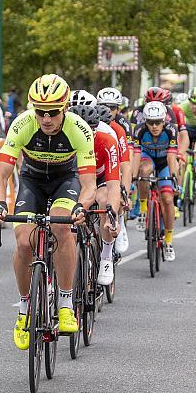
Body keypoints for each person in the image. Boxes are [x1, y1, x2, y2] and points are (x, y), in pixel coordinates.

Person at [0, 74, 96, 350]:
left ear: (65, 109)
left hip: (66, 181)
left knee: (62, 228)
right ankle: (24, 310)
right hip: (31, 181)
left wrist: (80, 208)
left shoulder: (79, 129)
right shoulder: (23, 124)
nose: (46, 119)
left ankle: (64, 303)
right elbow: (0, 175)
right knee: (24, 241)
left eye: (52, 113)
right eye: (40, 112)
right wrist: (0, 204)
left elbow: (88, 185)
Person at [69, 104, 121, 285]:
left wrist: (111, 216)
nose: (85, 134)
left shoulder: (107, 140)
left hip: (101, 179)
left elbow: (115, 185)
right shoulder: (66, 141)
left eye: (90, 130)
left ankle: (106, 256)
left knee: (103, 199)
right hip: (77, 179)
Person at [133, 101, 179, 261]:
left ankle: (168, 241)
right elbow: (136, 156)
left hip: (165, 161)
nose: (154, 126)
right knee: (144, 171)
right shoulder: (139, 130)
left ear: (164, 120)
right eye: (150, 122)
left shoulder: (171, 129)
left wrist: (174, 178)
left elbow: (172, 157)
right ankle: (144, 209)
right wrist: (133, 177)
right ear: (145, 121)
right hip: (148, 158)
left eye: (158, 122)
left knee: (167, 199)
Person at [97, 87, 132, 255]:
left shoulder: (120, 126)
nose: (107, 111)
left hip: (114, 161)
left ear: (118, 110)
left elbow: (126, 163)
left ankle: (119, 220)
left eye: (112, 108)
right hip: (96, 165)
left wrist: (125, 193)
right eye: (103, 106)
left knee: (115, 192)